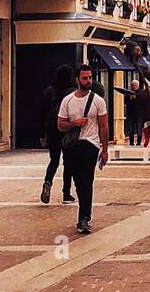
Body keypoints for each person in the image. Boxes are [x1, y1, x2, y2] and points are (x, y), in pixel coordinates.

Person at [57, 64, 110, 233]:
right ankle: (83, 215)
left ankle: (84, 217)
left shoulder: (98, 101)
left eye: (90, 78)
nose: (88, 81)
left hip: (90, 144)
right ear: (77, 80)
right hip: (72, 145)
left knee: (87, 180)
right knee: (78, 182)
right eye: (85, 78)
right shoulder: (68, 100)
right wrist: (75, 123)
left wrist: (104, 149)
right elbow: (60, 125)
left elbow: (104, 125)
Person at [40, 64, 75, 205]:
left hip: (52, 129)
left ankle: (48, 182)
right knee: (68, 162)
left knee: (54, 160)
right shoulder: (72, 92)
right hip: (66, 128)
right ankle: (66, 193)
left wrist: (42, 133)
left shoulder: (50, 90)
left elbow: (42, 113)